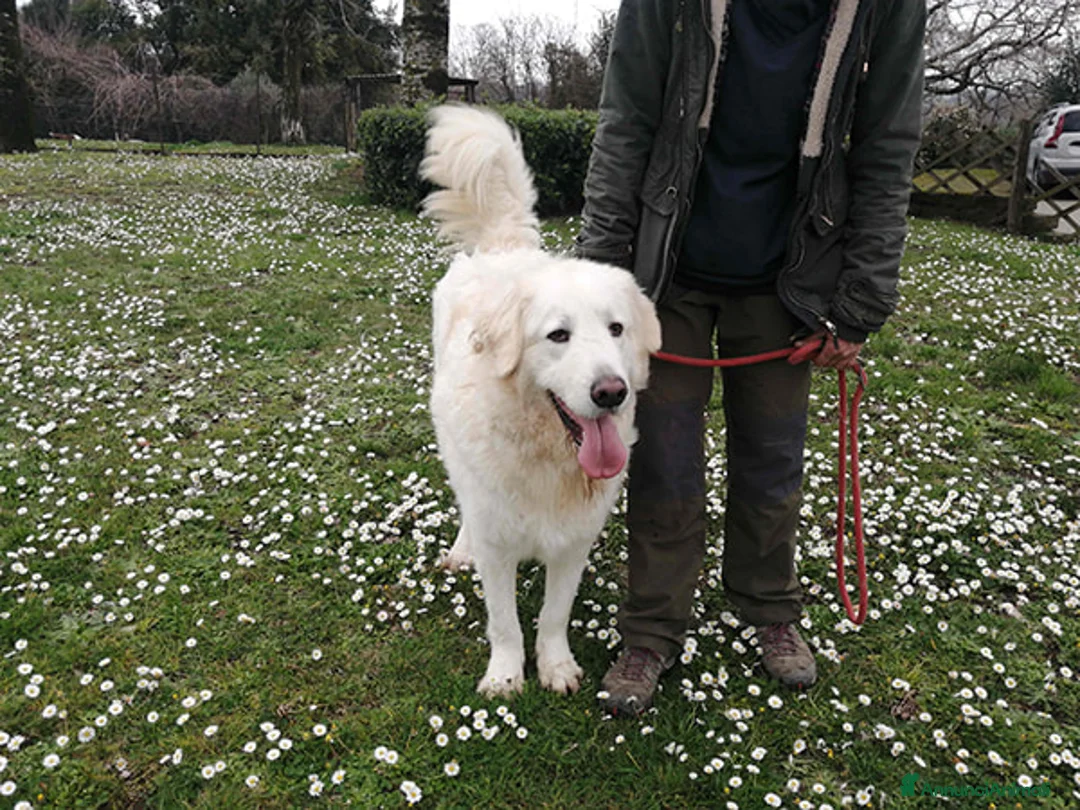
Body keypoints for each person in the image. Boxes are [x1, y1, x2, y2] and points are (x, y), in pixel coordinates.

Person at [575, 0, 925, 716]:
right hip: (665, 273)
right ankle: (650, 629)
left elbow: (888, 145)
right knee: (665, 461)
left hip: (789, 276)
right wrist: (598, 288)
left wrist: (859, 300)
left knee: (773, 457)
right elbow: (625, 123)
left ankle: (769, 607)